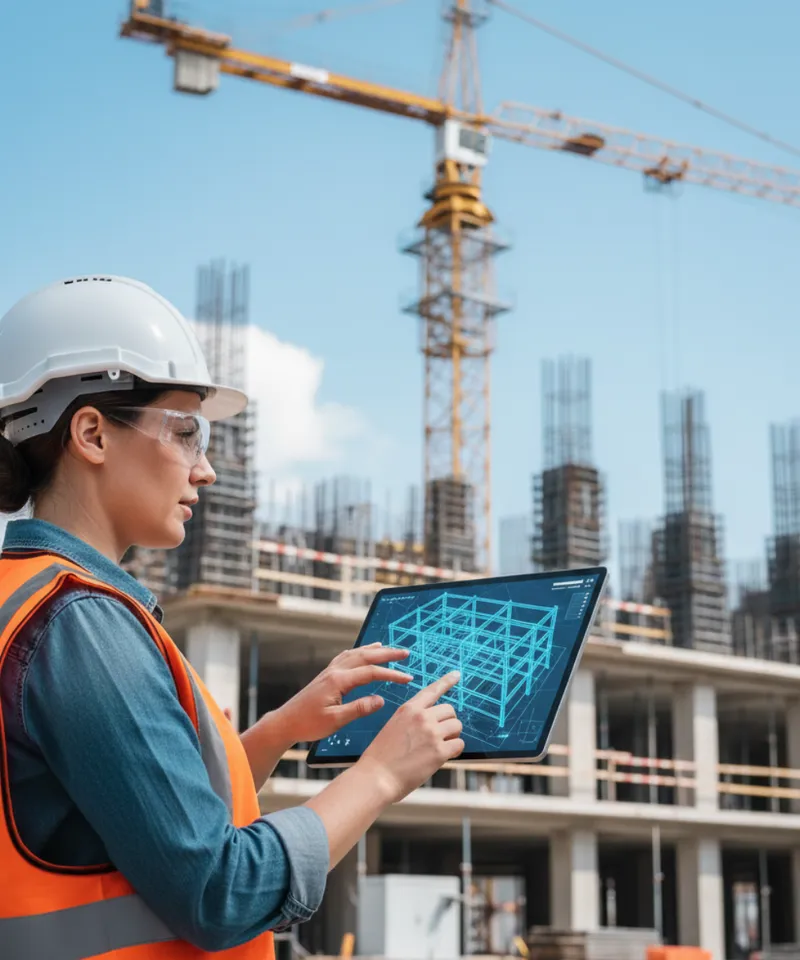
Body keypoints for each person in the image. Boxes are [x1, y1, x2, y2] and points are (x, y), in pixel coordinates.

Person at [0, 275, 465, 959]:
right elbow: (219, 891)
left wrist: (281, 729)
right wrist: (380, 777)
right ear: (92, 433)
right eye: (186, 433)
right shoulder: (81, 625)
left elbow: (140, 816)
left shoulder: (28, 599)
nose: (206, 470)